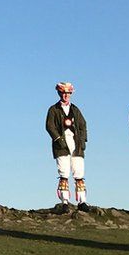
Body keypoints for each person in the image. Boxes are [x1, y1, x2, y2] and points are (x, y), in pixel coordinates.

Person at [45, 81, 88, 209]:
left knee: (79, 172)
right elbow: (49, 126)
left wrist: (83, 141)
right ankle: (65, 202)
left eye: (68, 93)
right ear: (59, 93)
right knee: (64, 172)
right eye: (63, 93)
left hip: (76, 144)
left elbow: (83, 125)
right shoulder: (53, 109)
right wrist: (58, 139)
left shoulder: (75, 109)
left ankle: (82, 202)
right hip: (61, 144)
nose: (66, 95)